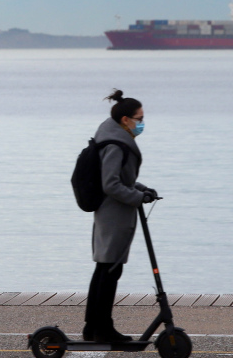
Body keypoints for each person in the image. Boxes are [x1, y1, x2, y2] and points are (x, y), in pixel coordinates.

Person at [84, 89, 158, 343]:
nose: (142, 123)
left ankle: (92, 328)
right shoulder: (116, 144)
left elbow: (122, 179)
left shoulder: (111, 136)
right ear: (125, 120)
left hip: (109, 214)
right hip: (113, 216)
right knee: (110, 272)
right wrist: (137, 197)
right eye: (139, 119)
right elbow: (111, 184)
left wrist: (142, 189)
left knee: (104, 270)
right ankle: (103, 329)